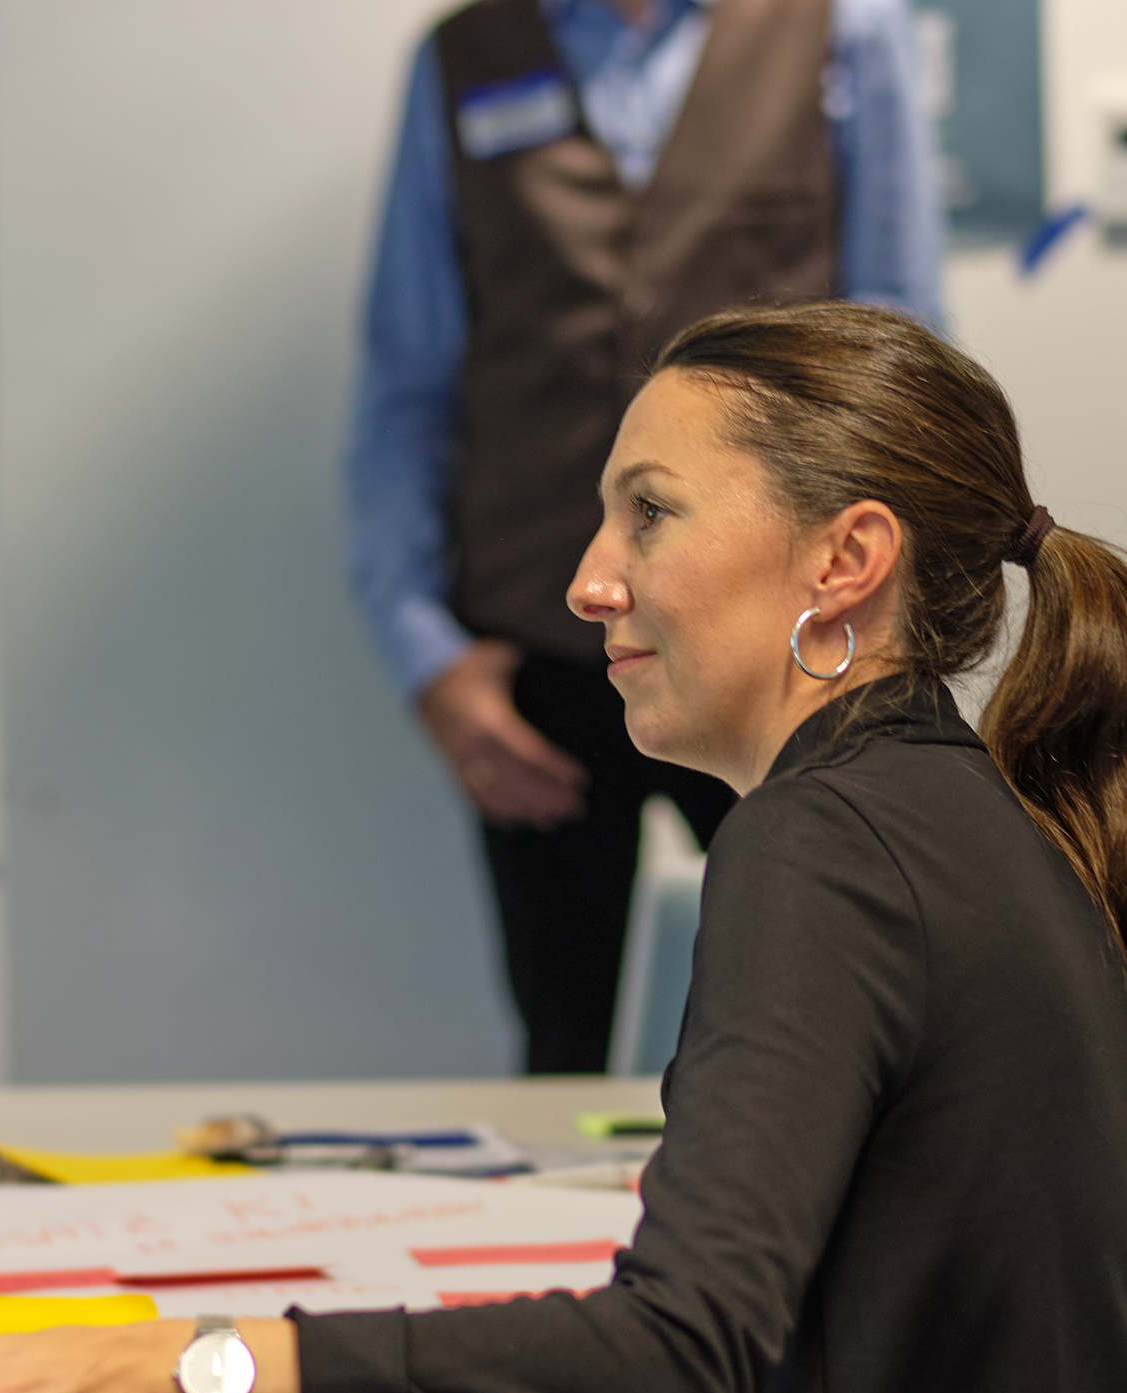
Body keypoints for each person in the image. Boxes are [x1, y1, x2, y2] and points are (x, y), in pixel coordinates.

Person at [0, 305, 1127, 1393]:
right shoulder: (949, 809)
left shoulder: (821, 843)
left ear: (844, 559)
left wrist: (183, 1362)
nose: (587, 580)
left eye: (649, 513)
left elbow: (684, 1345)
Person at [349, 0, 942, 1072]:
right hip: (539, 658)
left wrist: (880, 643)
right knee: (564, 1044)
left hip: (782, 651)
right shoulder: (464, 55)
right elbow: (407, 383)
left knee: (834, 1030)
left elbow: (900, 351)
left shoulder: (843, 29)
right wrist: (424, 656)